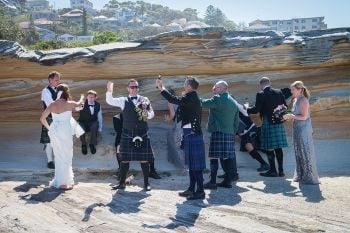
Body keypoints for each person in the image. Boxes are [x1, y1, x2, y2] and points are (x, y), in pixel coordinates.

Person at [156, 76, 206, 200]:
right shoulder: (192, 97)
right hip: (190, 132)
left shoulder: (191, 97)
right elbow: (181, 110)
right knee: (192, 164)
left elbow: (173, 99)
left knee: (196, 166)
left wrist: (161, 88)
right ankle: (191, 189)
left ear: (189, 86)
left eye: (185, 83)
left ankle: (200, 191)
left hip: (193, 133)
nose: (184, 85)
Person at [106, 79, 157, 191]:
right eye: (132, 87)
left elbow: (152, 114)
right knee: (124, 159)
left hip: (142, 132)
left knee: (144, 159)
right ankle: (121, 183)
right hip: (128, 133)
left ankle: (146, 184)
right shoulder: (123, 100)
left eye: (136, 87)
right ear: (128, 88)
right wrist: (109, 90)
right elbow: (110, 100)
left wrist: (146, 114)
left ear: (138, 88)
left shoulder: (144, 99)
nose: (134, 89)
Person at [40, 84, 85, 190]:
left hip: (55, 131)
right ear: (66, 93)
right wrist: (82, 98)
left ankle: (60, 180)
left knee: (58, 155)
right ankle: (65, 183)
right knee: (67, 155)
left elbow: (42, 118)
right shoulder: (70, 104)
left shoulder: (52, 104)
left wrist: (49, 128)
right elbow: (79, 105)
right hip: (65, 131)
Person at [200, 81, 239, 189]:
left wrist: (191, 98)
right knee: (227, 157)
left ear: (222, 88)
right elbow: (237, 121)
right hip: (229, 133)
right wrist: (233, 131)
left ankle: (212, 182)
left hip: (219, 132)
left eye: (215, 88)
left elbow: (204, 103)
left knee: (213, 156)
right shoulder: (233, 101)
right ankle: (228, 181)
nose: (213, 89)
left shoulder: (218, 98)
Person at [247, 77, 288, 177]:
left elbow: (256, 110)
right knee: (278, 147)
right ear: (270, 83)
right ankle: (281, 171)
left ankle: (273, 171)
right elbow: (285, 106)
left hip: (268, 122)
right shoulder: (278, 92)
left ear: (261, 85)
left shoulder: (261, 94)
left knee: (269, 148)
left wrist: (247, 108)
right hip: (278, 123)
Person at [283, 81, 320, 184]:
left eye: (293, 90)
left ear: (300, 90)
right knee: (298, 151)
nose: (291, 91)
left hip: (304, 129)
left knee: (305, 151)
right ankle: (301, 175)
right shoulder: (295, 100)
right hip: (297, 128)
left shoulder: (303, 100)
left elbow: (304, 117)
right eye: (291, 89)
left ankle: (310, 177)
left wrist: (291, 116)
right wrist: (287, 115)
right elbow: (296, 114)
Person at [40, 71, 61, 169]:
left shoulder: (60, 90)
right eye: (56, 80)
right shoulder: (45, 91)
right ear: (50, 80)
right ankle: (50, 161)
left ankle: (58, 159)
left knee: (58, 140)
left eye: (59, 79)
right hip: (49, 118)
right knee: (48, 141)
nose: (58, 81)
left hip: (60, 118)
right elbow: (50, 104)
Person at [78, 90, 103, 155]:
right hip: (83, 122)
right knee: (80, 128)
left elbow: (99, 116)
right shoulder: (82, 104)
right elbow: (76, 109)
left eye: (92, 97)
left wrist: (100, 128)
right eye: (89, 97)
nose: (90, 98)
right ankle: (83, 144)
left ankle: (92, 144)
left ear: (95, 98)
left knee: (95, 125)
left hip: (92, 122)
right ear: (87, 97)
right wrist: (80, 102)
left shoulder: (98, 105)